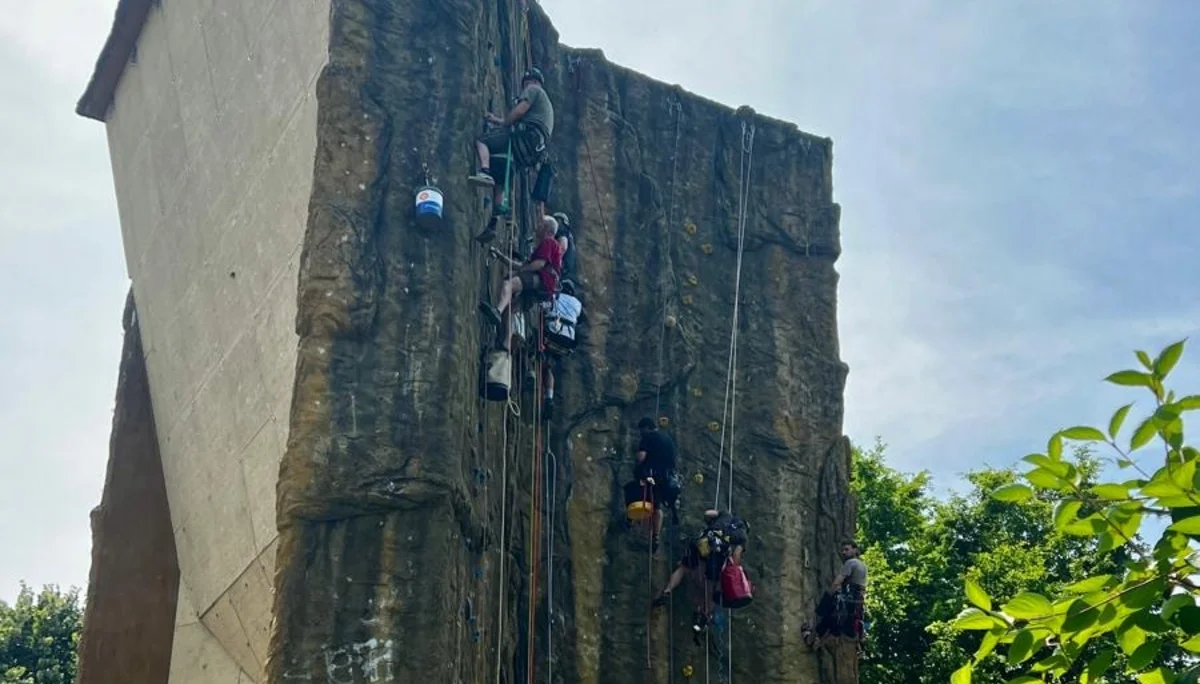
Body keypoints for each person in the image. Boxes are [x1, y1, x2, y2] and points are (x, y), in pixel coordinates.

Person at [469, 68, 555, 243]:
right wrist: (498, 120)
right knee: (501, 172)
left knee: (482, 141)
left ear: (531, 81)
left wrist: (505, 122)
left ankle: (484, 171)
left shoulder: (533, 90)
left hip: (524, 138)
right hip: (531, 152)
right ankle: (494, 222)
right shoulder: (546, 105)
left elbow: (519, 112)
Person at [652, 509, 748, 642]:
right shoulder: (742, 535)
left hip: (701, 543)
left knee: (684, 567)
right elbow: (736, 558)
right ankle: (703, 618)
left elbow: (707, 513)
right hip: (717, 555)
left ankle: (667, 591)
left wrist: (713, 522)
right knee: (711, 587)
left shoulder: (725, 515)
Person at [479, 215, 563, 351]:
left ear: (547, 230)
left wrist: (519, 273)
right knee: (511, 308)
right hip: (545, 289)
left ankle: (497, 311)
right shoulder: (548, 248)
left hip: (542, 279)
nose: (537, 227)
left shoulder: (549, 242)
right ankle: (506, 344)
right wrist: (501, 256)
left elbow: (538, 265)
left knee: (509, 284)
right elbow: (521, 265)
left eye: (541, 225)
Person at [803, 540, 868, 649]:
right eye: (842, 550)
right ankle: (819, 644)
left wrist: (829, 594)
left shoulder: (851, 563)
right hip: (856, 602)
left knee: (821, 611)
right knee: (836, 624)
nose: (843, 552)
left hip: (846, 597)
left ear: (855, 550)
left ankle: (810, 637)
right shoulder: (863, 566)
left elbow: (838, 581)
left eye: (846, 549)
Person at [538, 278, 584, 421]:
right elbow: (580, 320)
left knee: (536, 345)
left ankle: (532, 371)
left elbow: (543, 307)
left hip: (552, 336)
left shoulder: (554, 295)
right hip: (567, 343)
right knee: (549, 368)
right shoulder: (577, 304)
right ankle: (549, 398)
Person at [632, 417, 679, 548]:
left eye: (642, 430)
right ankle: (656, 536)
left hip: (653, 476)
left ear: (646, 427)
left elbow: (641, 458)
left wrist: (638, 464)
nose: (641, 433)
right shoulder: (668, 439)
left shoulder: (648, 437)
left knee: (648, 503)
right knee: (657, 507)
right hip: (668, 478)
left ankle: (646, 534)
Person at [550, 212, 577, 281]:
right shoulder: (569, 236)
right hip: (564, 271)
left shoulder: (563, 230)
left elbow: (563, 247)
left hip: (559, 266)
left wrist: (553, 263)